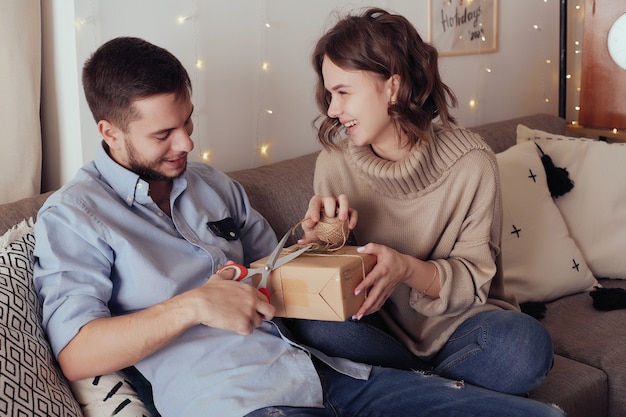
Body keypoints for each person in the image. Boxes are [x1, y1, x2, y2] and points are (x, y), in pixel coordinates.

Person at [33, 36, 564, 417]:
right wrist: (193, 303)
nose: (187, 144)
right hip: (243, 400)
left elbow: (283, 275)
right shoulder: (76, 217)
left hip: (331, 372)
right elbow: (77, 353)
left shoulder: (211, 184)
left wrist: (315, 243)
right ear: (110, 131)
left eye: (189, 121)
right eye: (164, 134)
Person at [297, 7, 556, 397]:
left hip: (459, 328)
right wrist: (322, 245)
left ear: (393, 87)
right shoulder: (333, 164)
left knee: (526, 348)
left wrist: (404, 268)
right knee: (311, 322)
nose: (332, 110)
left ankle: (403, 388)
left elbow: (473, 280)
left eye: (344, 92)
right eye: (330, 94)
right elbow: (341, 291)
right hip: (378, 332)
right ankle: (435, 390)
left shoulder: (471, 162)